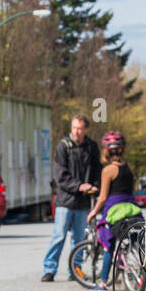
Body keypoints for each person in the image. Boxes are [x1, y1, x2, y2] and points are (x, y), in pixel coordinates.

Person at [41, 115, 100, 282]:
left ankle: (75, 271)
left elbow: (97, 170)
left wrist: (95, 186)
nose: (77, 131)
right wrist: (80, 186)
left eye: (80, 128)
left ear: (86, 129)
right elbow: (60, 175)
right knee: (59, 236)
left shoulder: (91, 147)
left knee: (79, 239)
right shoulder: (63, 146)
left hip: (82, 203)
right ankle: (49, 269)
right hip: (65, 201)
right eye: (74, 127)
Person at [86, 130, 137, 291]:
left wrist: (93, 212)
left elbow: (102, 197)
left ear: (106, 150)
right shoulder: (129, 167)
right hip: (131, 208)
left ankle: (103, 284)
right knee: (133, 240)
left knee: (108, 245)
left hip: (114, 211)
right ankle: (145, 269)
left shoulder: (108, 170)